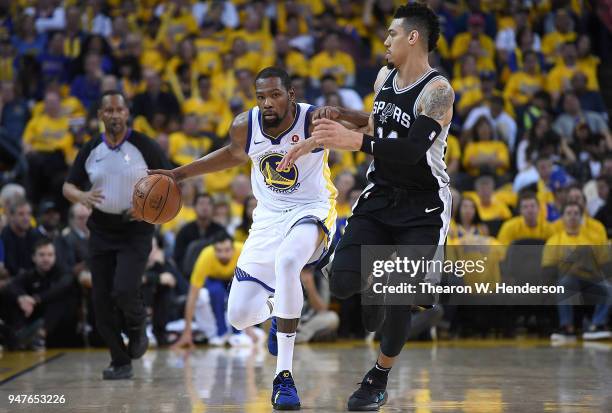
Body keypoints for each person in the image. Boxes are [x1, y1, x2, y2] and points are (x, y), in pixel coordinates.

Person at [280, 4, 453, 410]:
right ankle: (376, 284)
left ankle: (378, 378)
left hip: (423, 206)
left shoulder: (438, 91)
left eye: (392, 34)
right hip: (379, 197)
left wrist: (353, 141)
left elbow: (411, 150)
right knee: (341, 283)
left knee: (400, 299)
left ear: (413, 37)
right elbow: (378, 126)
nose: (386, 40)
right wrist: (335, 124)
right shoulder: (383, 78)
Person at [150, 67, 337, 410]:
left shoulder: (312, 118)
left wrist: (343, 119)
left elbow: (368, 122)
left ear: (291, 95)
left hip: (311, 208)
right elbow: (230, 155)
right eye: (261, 96)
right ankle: (279, 312)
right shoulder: (244, 126)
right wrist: (177, 174)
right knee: (238, 316)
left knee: (289, 262)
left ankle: (284, 377)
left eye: (275, 95)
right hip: (267, 220)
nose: (267, 102)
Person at [62, 90, 171, 380]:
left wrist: (148, 209)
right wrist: (82, 195)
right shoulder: (90, 148)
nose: (113, 115)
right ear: (100, 115)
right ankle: (119, 360)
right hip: (100, 228)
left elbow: (169, 179)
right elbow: (67, 186)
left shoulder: (143, 144)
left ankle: (137, 326)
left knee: (123, 289)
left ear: (127, 114)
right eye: (107, 110)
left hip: (136, 228)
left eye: (118, 110)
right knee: (100, 300)